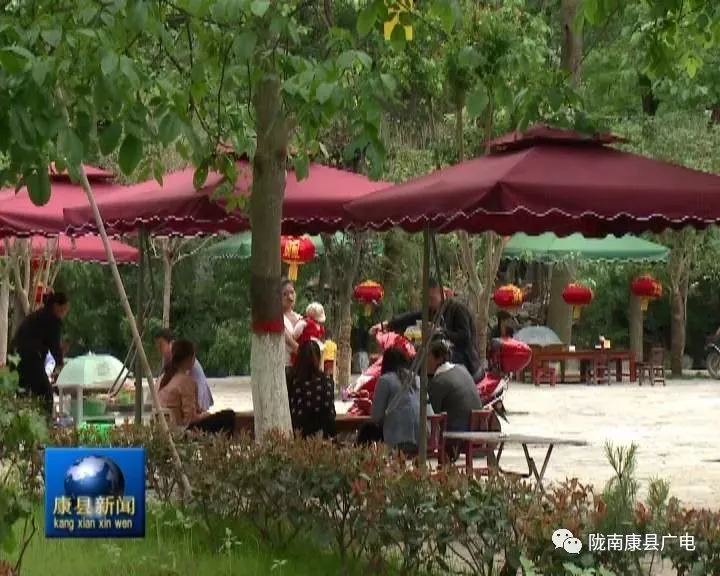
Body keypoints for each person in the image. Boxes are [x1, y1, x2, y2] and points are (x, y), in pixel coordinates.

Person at [370, 278, 481, 377]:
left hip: (463, 357)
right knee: (411, 360)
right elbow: (411, 317)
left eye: (432, 298)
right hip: (442, 352)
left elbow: (465, 337)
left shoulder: (457, 309)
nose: (429, 303)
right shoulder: (433, 310)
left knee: (424, 363)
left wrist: (440, 332)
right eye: (427, 299)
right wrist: (387, 324)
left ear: (441, 292)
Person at [358, 346, 431, 456]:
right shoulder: (417, 378)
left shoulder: (385, 380)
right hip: (424, 438)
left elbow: (376, 417)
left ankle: (363, 461)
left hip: (399, 440)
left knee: (366, 429)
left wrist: (368, 407)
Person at [157, 339, 235, 435]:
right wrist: (206, 415)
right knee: (228, 415)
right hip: (182, 431)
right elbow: (190, 419)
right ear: (190, 358)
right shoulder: (186, 382)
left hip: (163, 428)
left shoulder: (161, 379)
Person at [11, 292, 69, 415]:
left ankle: (22, 419)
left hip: (17, 357)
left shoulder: (40, 315)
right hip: (30, 358)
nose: (65, 314)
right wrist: (60, 366)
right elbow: (54, 346)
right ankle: (45, 421)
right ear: (56, 306)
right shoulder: (52, 319)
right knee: (46, 394)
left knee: (23, 393)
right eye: (64, 310)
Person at [427, 338, 482, 433]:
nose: (425, 361)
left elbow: (431, 413)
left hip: (458, 433)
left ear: (439, 359)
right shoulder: (462, 369)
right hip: (477, 427)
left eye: (428, 356)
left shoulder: (439, 382)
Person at [154, 329, 214, 413]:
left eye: (161, 345)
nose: (159, 349)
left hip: (197, 394)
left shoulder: (184, 371)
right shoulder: (167, 362)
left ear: (171, 344)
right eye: (157, 346)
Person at [287, 340, 336, 439]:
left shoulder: (293, 382)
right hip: (324, 438)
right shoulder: (327, 382)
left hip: (299, 440)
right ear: (319, 358)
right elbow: (331, 415)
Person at [282, 279, 301, 381]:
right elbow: (291, 343)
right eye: (285, 294)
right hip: (285, 369)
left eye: (292, 292)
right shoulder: (277, 319)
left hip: (301, 368)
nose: (290, 297)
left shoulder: (300, 318)